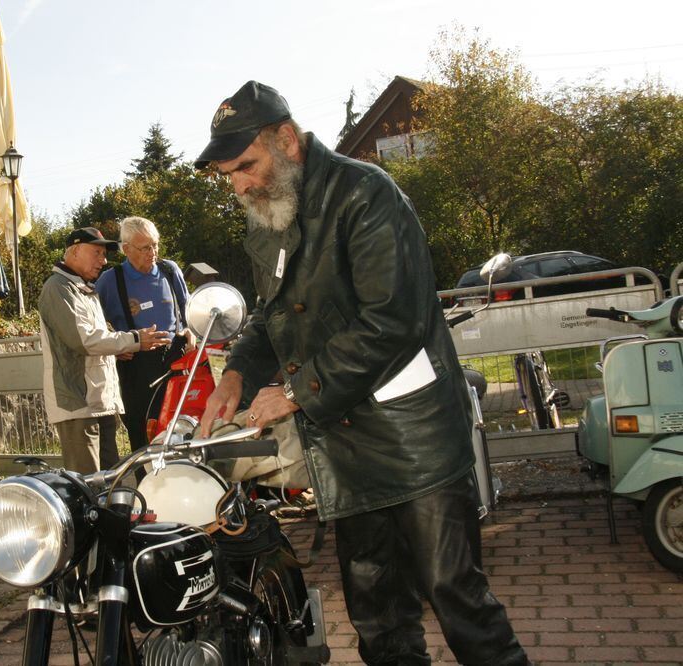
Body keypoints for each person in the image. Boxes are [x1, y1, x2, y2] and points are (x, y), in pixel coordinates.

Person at [195, 81, 528, 666]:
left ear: (287, 141)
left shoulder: (366, 193)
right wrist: (238, 374)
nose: (240, 184)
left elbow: (391, 320)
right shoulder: (266, 217)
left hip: (414, 435)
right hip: (344, 439)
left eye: (246, 165)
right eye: (228, 175)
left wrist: (294, 392)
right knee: (378, 619)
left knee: (459, 602)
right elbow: (273, 315)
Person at [39, 226, 171, 473]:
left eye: (104, 254)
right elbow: (85, 340)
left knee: (109, 482)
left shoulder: (84, 288)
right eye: (97, 253)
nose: (104, 260)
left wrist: (115, 349)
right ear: (75, 251)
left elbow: (97, 340)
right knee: (88, 485)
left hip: (100, 403)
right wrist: (134, 339)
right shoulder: (58, 288)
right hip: (77, 405)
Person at [95, 216, 191, 453]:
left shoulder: (170, 270)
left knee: (180, 429)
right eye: (145, 247)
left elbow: (189, 311)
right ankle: (145, 486)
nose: (153, 252)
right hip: (137, 367)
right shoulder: (110, 280)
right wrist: (116, 347)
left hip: (175, 361)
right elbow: (94, 323)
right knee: (142, 434)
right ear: (126, 249)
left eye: (155, 245)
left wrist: (191, 331)